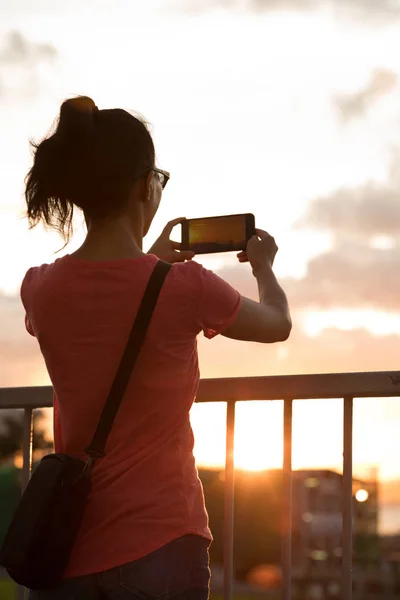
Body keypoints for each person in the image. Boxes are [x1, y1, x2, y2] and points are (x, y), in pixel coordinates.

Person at [22, 96, 291, 600]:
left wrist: (150, 261)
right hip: (161, 542)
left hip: (66, 549)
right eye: (160, 179)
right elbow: (277, 325)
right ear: (145, 184)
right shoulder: (185, 287)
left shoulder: (40, 287)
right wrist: (263, 265)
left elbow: (107, 298)